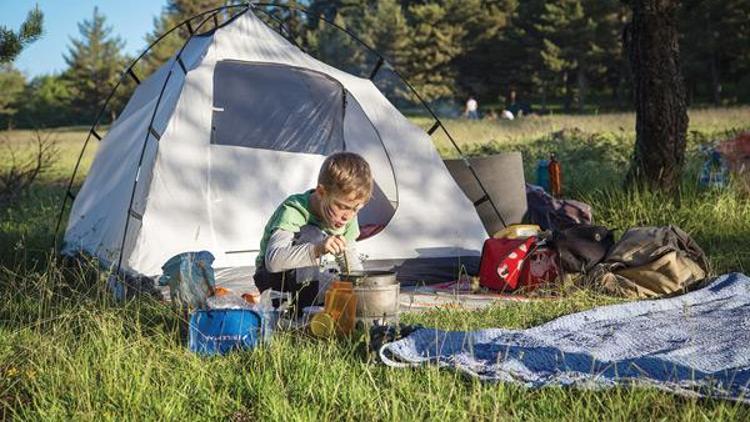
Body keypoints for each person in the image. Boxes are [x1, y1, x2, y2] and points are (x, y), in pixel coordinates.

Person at [253, 152, 372, 313]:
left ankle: (312, 308)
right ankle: (302, 314)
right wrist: (317, 249)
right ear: (321, 193)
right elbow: (273, 262)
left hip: (307, 278)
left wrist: (366, 294)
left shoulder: (348, 217)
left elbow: (350, 264)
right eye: (341, 206)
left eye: (356, 209)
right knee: (312, 233)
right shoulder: (294, 209)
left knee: (336, 283)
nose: (347, 216)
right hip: (273, 279)